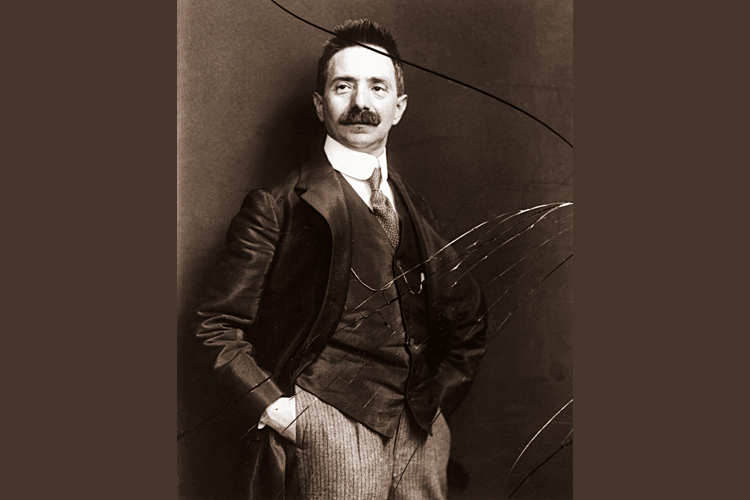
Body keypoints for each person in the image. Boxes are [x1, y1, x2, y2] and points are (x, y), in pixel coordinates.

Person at [195, 19, 488, 500]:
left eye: (377, 87)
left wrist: (435, 407)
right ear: (320, 104)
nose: (360, 103)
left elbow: (468, 319)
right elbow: (215, 326)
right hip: (328, 427)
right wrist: (281, 412)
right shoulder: (277, 205)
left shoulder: (415, 206)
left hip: (421, 435)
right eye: (343, 86)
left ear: (399, 107)